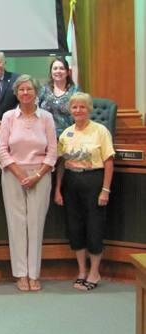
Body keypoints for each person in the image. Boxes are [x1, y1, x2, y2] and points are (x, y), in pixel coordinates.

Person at [0, 74, 57, 292]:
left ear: (36, 92)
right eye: (21, 90)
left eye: (29, 89)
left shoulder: (47, 118)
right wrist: (20, 173)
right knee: (17, 226)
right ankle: (21, 274)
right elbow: (2, 149)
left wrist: (37, 175)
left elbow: (52, 151)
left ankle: (34, 274)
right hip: (13, 175)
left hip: (40, 176)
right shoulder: (8, 117)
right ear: (16, 93)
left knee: (35, 225)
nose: (25, 93)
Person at [54, 92, 114, 291]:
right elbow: (61, 163)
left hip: (94, 180)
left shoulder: (100, 131)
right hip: (71, 182)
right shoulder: (66, 133)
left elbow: (108, 162)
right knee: (75, 227)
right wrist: (58, 190)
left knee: (94, 226)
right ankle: (81, 270)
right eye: (74, 107)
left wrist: (105, 190)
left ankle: (94, 272)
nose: (78, 110)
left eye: (82, 107)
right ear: (70, 110)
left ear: (89, 109)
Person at [38, 57, 79, 138]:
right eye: (55, 68)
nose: (58, 71)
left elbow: (80, 115)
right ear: (51, 72)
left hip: (69, 136)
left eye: (61, 68)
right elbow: (35, 111)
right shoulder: (43, 90)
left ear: (67, 72)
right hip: (45, 135)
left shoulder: (75, 91)